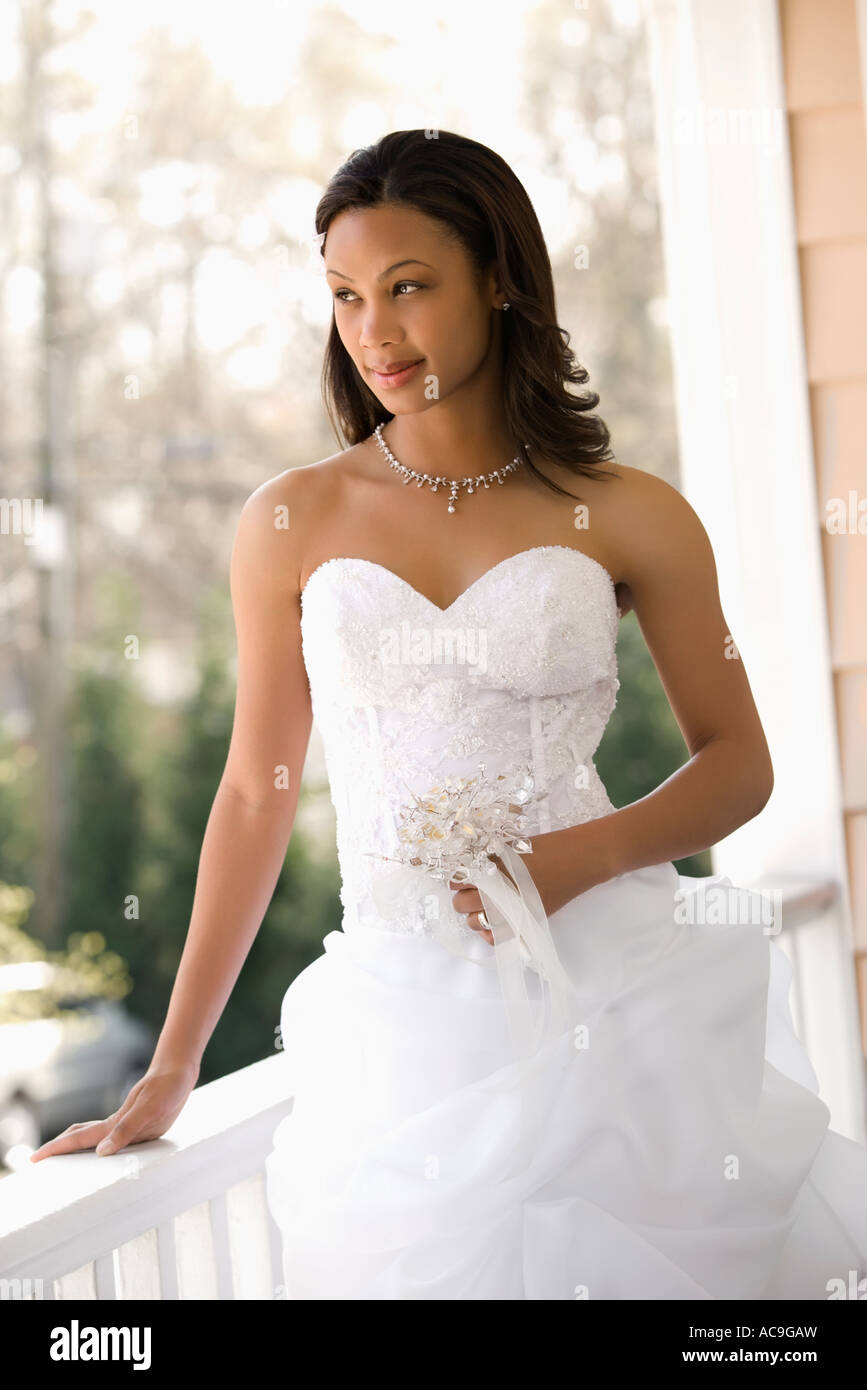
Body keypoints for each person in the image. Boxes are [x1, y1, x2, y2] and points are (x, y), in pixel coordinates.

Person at [30, 129, 867, 1301]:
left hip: (612, 1001)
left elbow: (741, 766)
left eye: (409, 287)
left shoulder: (630, 513)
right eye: (346, 296)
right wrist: (174, 1064)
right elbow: (253, 792)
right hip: (398, 1032)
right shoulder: (290, 520)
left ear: (502, 278)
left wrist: (576, 858)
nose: (374, 330)